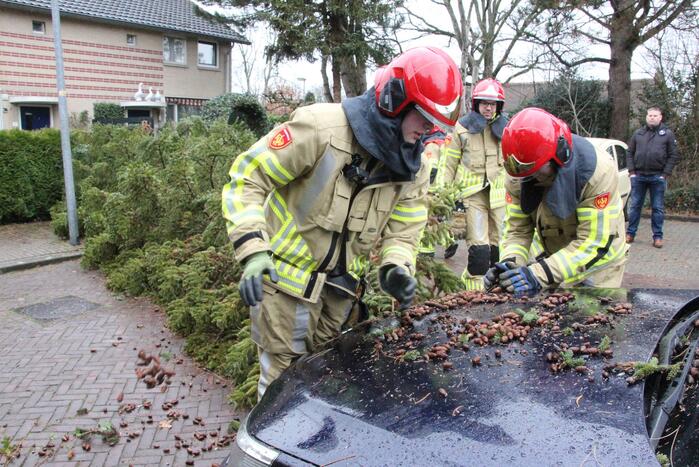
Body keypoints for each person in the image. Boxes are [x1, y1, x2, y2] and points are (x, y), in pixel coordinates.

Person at [221, 47, 463, 398]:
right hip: (285, 290)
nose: (429, 131)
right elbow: (247, 178)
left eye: (436, 124)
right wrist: (253, 250)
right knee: (280, 393)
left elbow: (406, 227)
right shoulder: (321, 127)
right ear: (396, 101)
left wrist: (396, 265)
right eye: (425, 117)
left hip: (341, 296)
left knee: (323, 391)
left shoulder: (413, 165)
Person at [484, 107, 628, 297]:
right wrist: (510, 265)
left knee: (593, 321)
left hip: (598, 267)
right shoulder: (519, 175)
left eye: (536, 171)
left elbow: (593, 242)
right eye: (524, 174)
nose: (531, 179)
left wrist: (538, 274)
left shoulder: (598, 172)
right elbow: (517, 230)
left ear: (559, 156)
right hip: (555, 260)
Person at [435, 78, 508, 289]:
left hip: (500, 196)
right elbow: (448, 164)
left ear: (498, 106)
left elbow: (514, 165)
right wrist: (443, 197)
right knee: (479, 249)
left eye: (492, 104)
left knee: (500, 247)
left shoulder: (506, 129)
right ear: (476, 104)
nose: (488, 107)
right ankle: (474, 292)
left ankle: (499, 288)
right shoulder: (462, 129)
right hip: (473, 195)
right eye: (484, 103)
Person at [625, 106, 679, 248]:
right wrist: (632, 172)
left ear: (660, 117)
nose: (652, 118)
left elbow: (673, 155)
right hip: (639, 176)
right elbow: (629, 153)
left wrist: (664, 174)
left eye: (655, 115)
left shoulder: (667, 134)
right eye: (650, 115)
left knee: (657, 208)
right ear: (646, 117)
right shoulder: (638, 133)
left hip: (657, 177)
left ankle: (657, 237)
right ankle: (630, 234)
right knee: (635, 206)